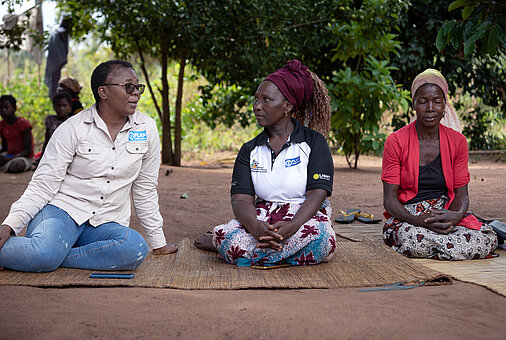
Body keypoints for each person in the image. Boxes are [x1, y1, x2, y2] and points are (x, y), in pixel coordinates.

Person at [0, 60, 177, 272]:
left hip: (105, 223)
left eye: (138, 87)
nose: (136, 93)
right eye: (128, 86)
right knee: (43, 253)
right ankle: (47, 253)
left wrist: (157, 242)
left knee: (134, 248)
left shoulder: (147, 128)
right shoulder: (72, 128)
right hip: (62, 212)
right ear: (103, 92)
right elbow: (42, 185)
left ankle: (54, 255)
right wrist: (10, 225)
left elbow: (145, 188)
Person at [195, 60, 336, 267]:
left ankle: (250, 254)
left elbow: (317, 194)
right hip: (262, 218)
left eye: (266, 100)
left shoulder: (314, 142)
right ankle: (279, 254)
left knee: (321, 239)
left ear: (287, 106)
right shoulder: (249, 150)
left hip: (304, 217)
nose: (257, 106)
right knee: (232, 239)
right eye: (256, 99)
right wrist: (255, 227)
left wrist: (293, 226)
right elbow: (241, 199)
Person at [381, 69, 498, 260]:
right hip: (409, 217)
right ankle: (449, 249)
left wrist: (455, 216)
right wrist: (419, 221)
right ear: (414, 104)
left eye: (436, 101)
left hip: (445, 212)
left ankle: (439, 248)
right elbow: (389, 199)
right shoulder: (396, 141)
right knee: (412, 238)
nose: (430, 108)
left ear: (445, 106)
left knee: (486, 237)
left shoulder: (457, 142)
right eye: (423, 101)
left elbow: (462, 195)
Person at [33, 92, 72, 168]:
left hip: (67, 155)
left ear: (70, 107)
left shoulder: (73, 121)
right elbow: (47, 140)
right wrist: (42, 159)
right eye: (58, 106)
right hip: (52, 154)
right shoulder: (50, 120)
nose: (61, 109)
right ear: (54, 107)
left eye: (64, 106)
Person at [0, 95, 34, 173]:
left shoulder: (23, 124)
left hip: (23, 157)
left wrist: (10, 159)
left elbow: (27, 151)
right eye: (1, 108)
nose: (3, 110)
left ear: (14, 108)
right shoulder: (2, 125)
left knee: (17, 165)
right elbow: (5, 147)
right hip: (9, 155)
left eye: (6, 107)